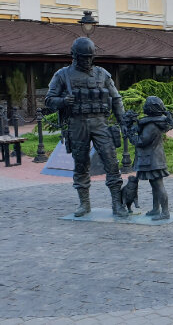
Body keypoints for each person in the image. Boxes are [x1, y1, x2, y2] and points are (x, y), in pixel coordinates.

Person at [45, 37, 129, 218]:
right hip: (77, 124)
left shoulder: (102, 74)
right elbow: (49, 100)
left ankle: (117, 203)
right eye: (83, 58)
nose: (87, 61)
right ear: (74, 56)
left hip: (100, 123)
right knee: (81, 164)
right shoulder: (63, 75)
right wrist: (63, 101)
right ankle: (84, 203)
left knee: (111, 162)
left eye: (90, 57)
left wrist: (123, 122)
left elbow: (116, 99)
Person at [125, 97, 173, 221]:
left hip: (153, 160)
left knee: (158, 185)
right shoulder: (152, 122)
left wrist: (131, 136)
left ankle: (165, 212)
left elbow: (141, 141)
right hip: (153, 158)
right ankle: (155, 209)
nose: (144, 108)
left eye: (146, 105)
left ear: (151, 109)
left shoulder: (151, 126)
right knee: (154, 185)